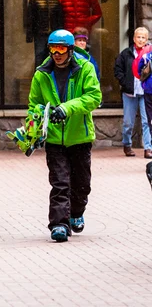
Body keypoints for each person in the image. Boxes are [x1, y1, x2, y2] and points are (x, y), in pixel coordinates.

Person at [27, 29, 101, 242]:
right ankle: (59, 224)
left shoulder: (85, 68)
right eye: (53, 48)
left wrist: (67, 108)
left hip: (79, 136)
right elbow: (34, 105)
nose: (57, 53)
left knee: (82, 183)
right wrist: (32, 130)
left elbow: (94, 97)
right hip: (54, 139)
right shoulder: (41, 74)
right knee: (60, 182)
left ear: (70, 50)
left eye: (61, 49)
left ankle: (76, 213)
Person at [113, 27, 152, 158]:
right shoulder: (126, 53)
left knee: (147, 121)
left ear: (147, 39)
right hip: (130, 93)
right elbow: (118, 69)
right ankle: (127, 144)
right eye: (138, 37)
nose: (141, 40)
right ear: (134, 38)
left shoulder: (150, 53)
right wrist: (124, 82)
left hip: (146, 92)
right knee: (128, 122)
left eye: (143, 37)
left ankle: (148, 148)